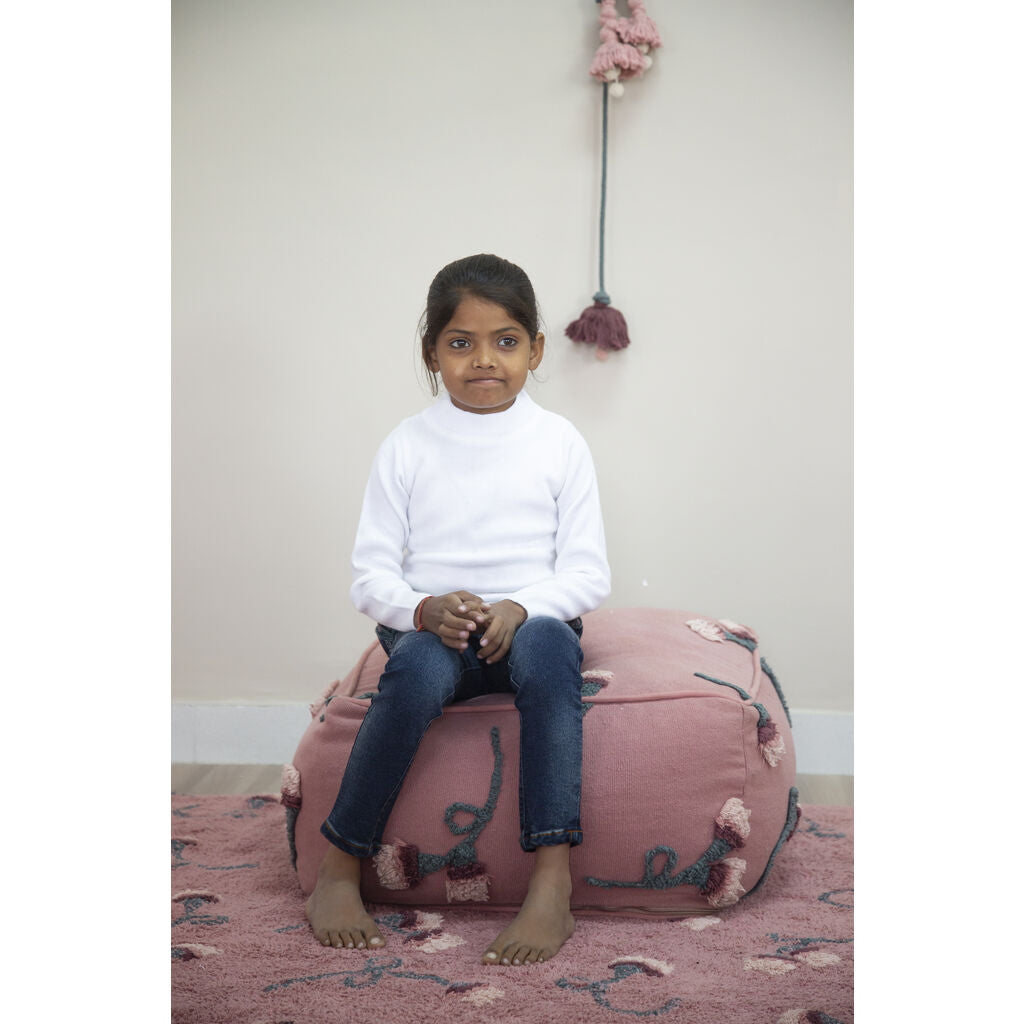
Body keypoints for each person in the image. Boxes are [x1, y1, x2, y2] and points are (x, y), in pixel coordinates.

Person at [305, 253, 611, 967]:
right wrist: (421, 609)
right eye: (461, 342)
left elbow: (588, 573)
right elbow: (369, 576)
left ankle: (551, 881)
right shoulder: (406, 446)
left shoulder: (560, 443)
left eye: (506, 341)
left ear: (536, 350)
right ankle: (339, 868)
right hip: (434, 634)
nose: (484, 359)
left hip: (531, 628)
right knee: (413, 674)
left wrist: (521, 606)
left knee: (548, 650)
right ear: (431, 353)